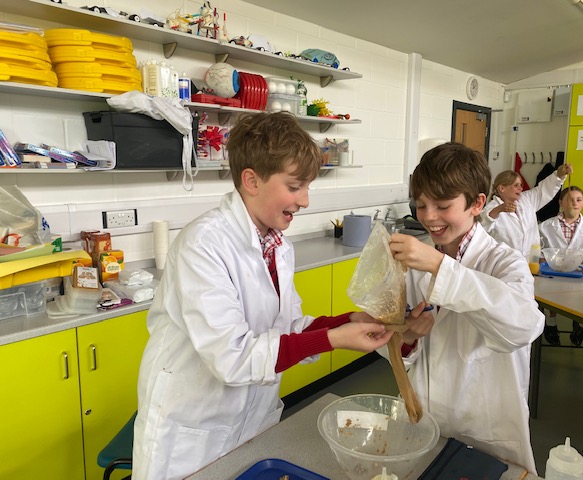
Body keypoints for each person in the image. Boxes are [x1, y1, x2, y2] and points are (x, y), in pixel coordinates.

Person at [132, 112, 394, 480]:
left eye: (307, 186)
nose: (304, 200)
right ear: (251, 180)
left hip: (248, 422)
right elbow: (234, 357)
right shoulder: (204, 245)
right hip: (193, 431)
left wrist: (347, 322)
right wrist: (333, 339)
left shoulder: (275, 245)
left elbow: (287, 328)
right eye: (294, 186)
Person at [388, 142, 545, 474]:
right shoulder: (419, 263)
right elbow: (407, 345)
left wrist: (441, 268)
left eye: (443, 205)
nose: (429, 217)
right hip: (427, 416)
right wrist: (409, 336)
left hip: (484, 427)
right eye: (421, 205)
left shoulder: (505, 263)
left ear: (477, 203)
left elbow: (522, 326)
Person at [539, 185, 583, 346]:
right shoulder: (545, 226)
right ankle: (551, 326)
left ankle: (581, 326)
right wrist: (541, 257)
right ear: (561, 203)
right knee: (550, 296)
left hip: (579, 273)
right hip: (553, 272)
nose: (574, 203)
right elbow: (538, 246)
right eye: (570, 200)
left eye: (578, 200)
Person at [480, 163, 573, 257]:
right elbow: (481, 227)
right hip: (506, 263)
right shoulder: (491, 208)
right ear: (502, 188)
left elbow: (544, 190)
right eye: (516, 185)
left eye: (521, 185)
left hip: (531, 260)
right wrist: (499, 209)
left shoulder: (526, 200)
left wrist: (559, 175)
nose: (520, 188)